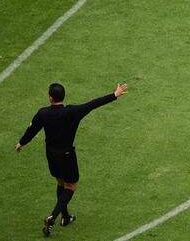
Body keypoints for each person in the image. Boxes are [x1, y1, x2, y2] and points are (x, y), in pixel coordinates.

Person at [15, 82, 128, 236]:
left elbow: (32, 129)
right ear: (63, 96)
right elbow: (93, 104)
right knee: (71, 186)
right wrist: (114, 95)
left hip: (51, 155)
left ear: (50, 98)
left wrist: (21, 142)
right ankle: (53, 216)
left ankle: (65, 217)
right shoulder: (73, 112)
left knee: (60, 182)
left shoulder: (43, 113)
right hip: (66, 155)